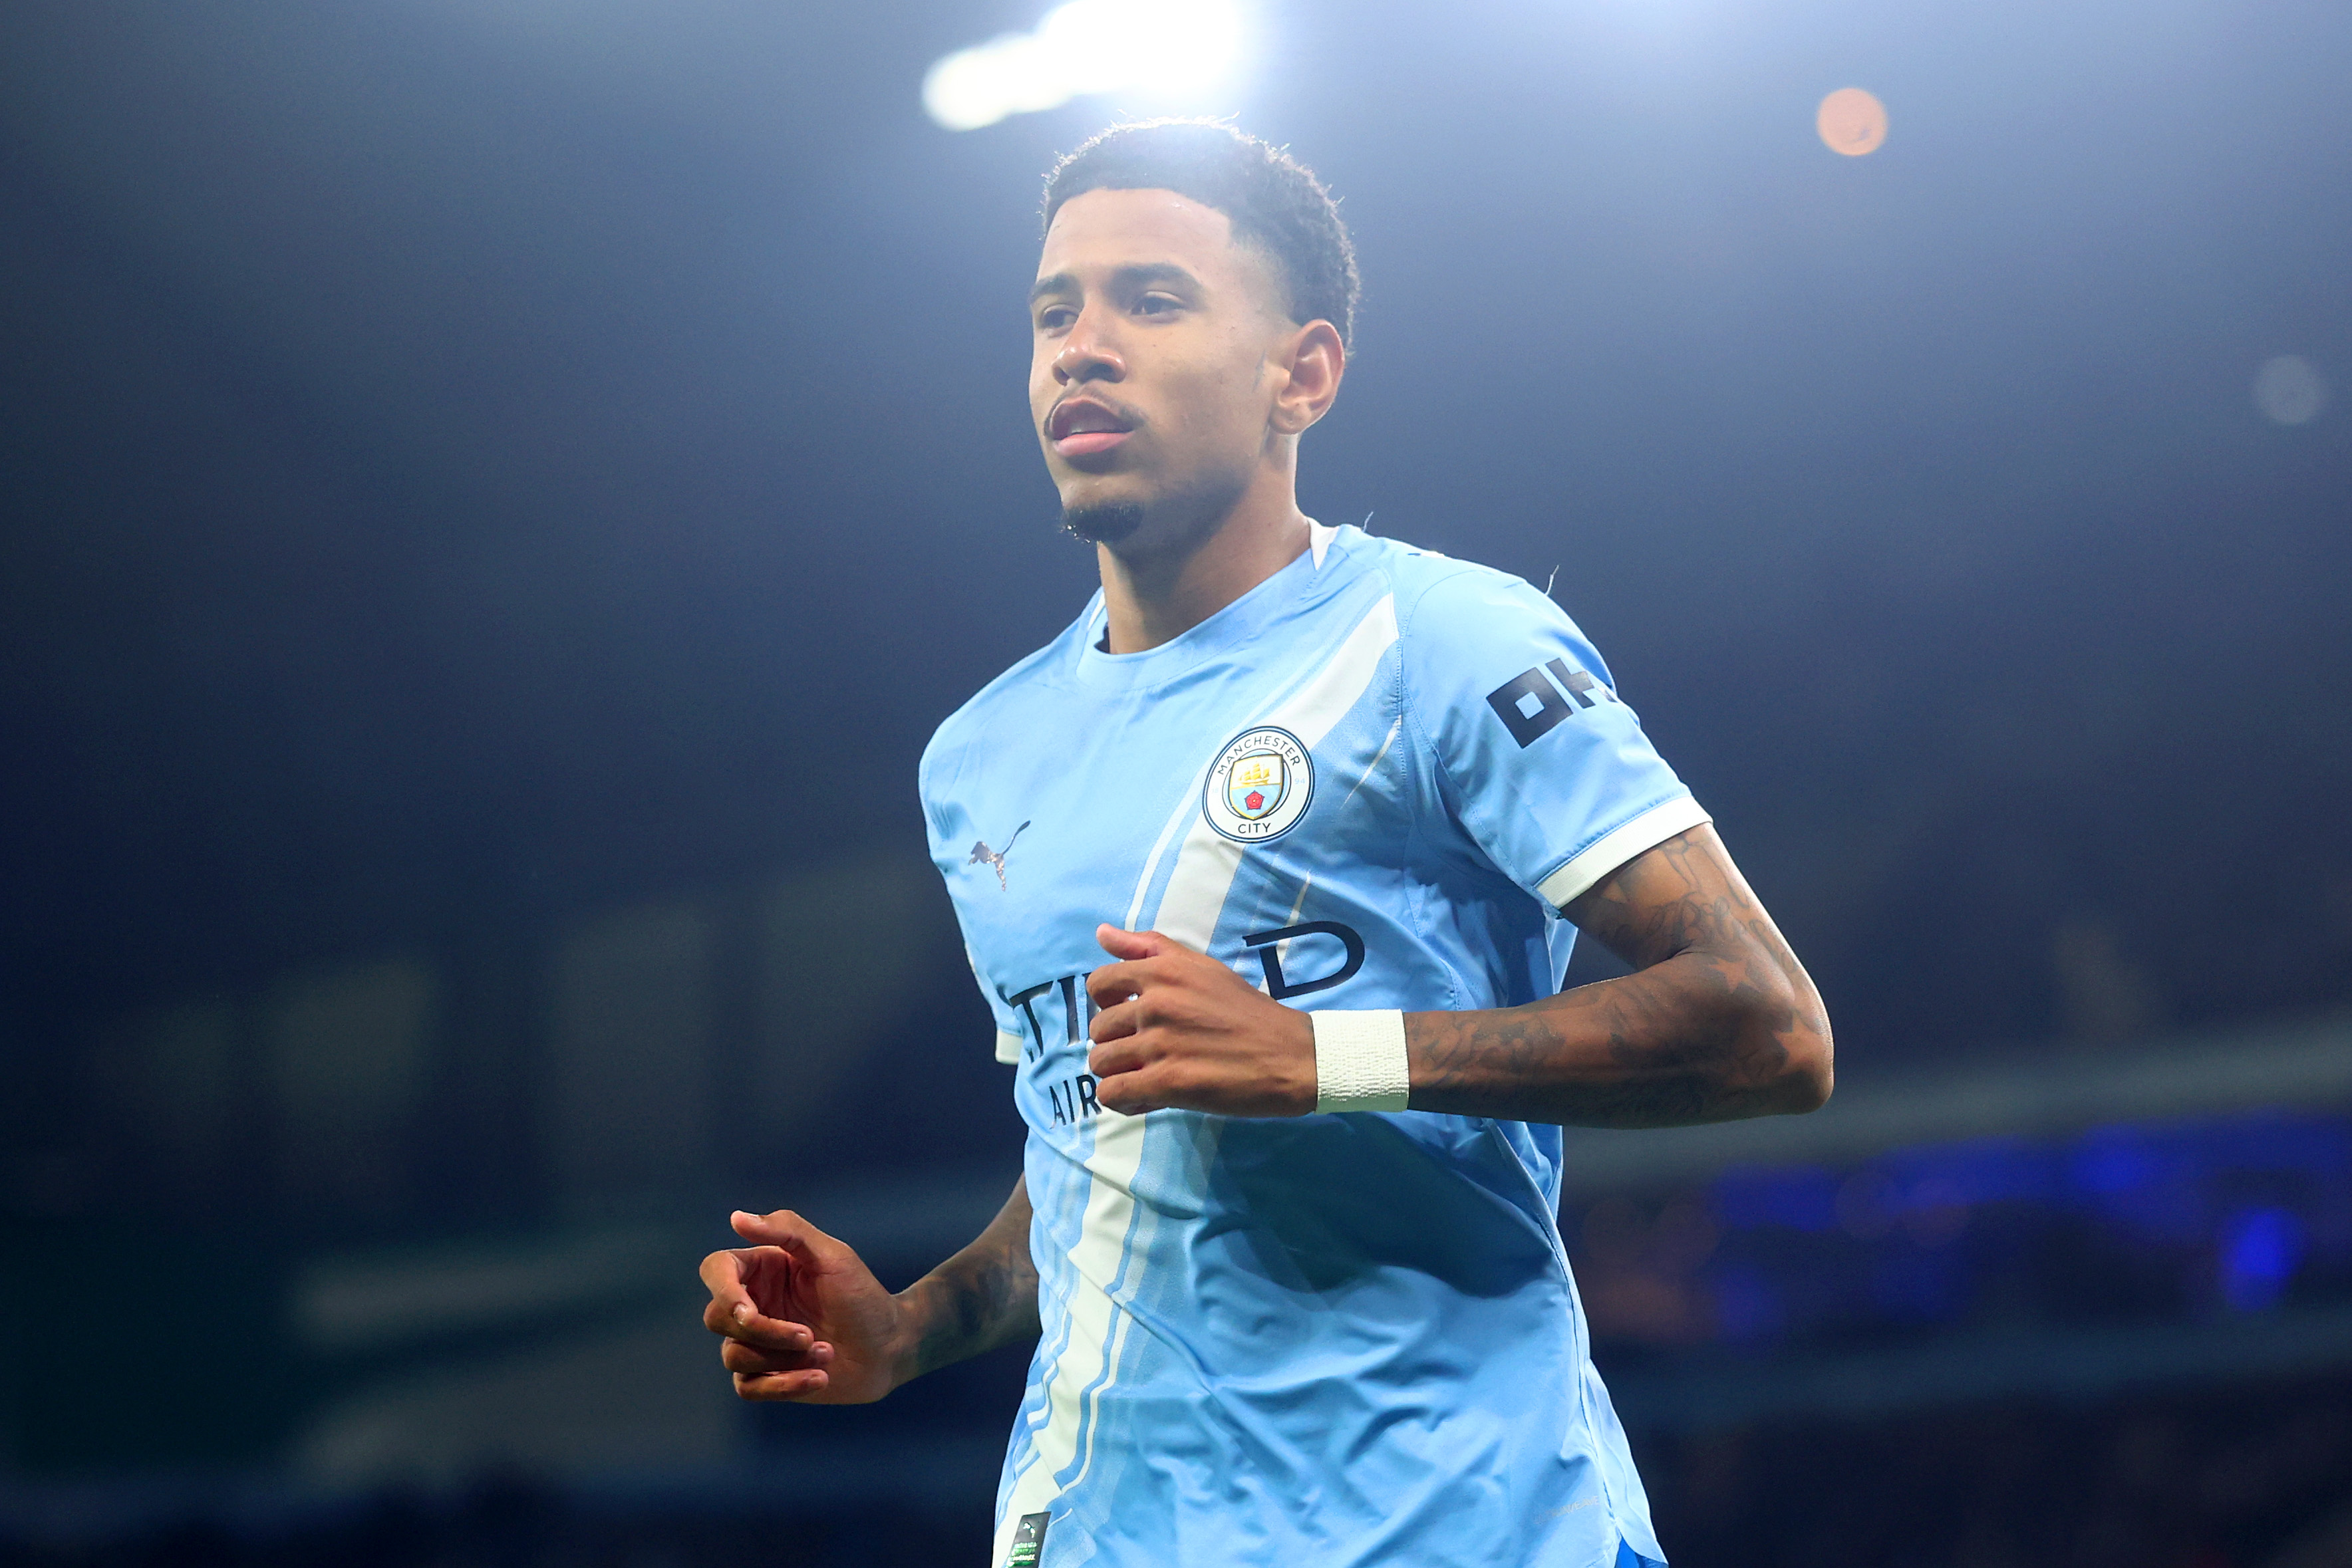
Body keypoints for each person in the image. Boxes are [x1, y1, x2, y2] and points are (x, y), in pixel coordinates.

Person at [701, 119, 1833, 1568]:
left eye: (1151, 301)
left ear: (1300, 374)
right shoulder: (977, 759)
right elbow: (1094, 1147)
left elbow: (1768, 1026)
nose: (1081, 347)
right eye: (1054, 312)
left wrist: (1316, 1059)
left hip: (1465, 1528)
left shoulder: (1439, 641)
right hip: (1099, 1534)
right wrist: (917, 1325)